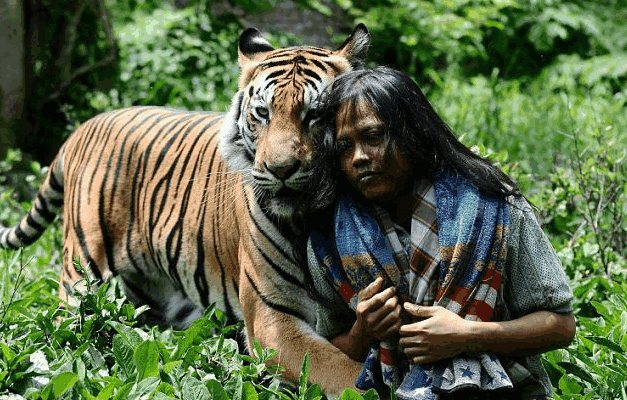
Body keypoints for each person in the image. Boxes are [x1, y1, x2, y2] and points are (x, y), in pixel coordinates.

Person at [303, 66, 576, 400]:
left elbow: (561, 326)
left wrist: (468, 335)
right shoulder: (330, 238)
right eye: (345, 146)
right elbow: (332, 345)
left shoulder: (494, 206)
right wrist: (364, 331)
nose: (359, 157)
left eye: (373, 137)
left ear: (412, 134)